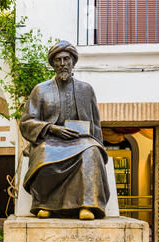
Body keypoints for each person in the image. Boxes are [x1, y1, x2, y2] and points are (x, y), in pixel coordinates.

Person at [19, 40, 110, 220]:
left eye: (66, 59)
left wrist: (100, 147)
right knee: (44, 152)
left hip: (81, 139)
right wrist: (52, 128)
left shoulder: (86, 89)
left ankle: (87, 205)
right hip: (49, 138)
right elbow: (27, 121)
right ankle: (44, 204)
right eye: (58, 60)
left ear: (73, 62)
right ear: (53, 64)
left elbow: (95, 123)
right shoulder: (41, 90)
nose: (62, 64)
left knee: (91, 151)